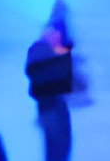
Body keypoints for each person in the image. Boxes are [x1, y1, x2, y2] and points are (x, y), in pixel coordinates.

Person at [26, 10, 76, 161]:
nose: (58, 38)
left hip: (54, 105)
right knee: (57, 146)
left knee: (60, 145)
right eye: (55, 36)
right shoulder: (40, 49)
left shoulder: (47, 50)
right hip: (50, 107)